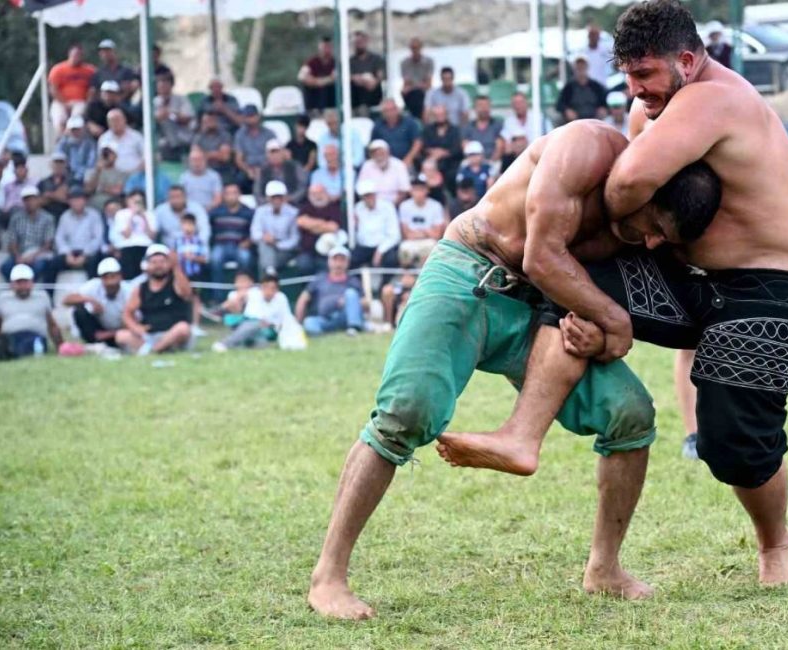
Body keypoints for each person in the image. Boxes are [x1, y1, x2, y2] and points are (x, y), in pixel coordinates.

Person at [436, 0, 788, 590]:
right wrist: (601, 304)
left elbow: (630, 181)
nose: (636, 91)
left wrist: (613, 230)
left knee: (731, 443)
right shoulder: (656, 107)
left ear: (687, 61)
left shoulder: (716, 98)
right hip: (686, 277)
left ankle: (776, 542)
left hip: (769, 287)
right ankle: (521, 434)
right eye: (628, 76)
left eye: (646, 75)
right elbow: (628, 181)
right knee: (563, 275)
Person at [306, 117, 723, 620]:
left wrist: (596, 329)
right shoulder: (583, 147)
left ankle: (605, 568)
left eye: (664, 239)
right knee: (405, 413)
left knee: (630, 412)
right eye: (655, 228)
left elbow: (586, 298)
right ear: (643, 189)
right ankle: (328, 576)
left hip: (536, 312)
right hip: (466, 272)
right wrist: (612, 321)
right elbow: (544, 256)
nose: (653, 243)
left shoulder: (642, 229)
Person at [116, 245, 193, 355]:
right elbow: (127, 313)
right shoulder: (140, 288)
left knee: (183, 328)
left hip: (172, 333)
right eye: (154, 262)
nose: (158, 266)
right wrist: (136, 328)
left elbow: (186, 293)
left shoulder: (176, 282)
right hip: (150, 335)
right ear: (147, 265)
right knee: (121, 335)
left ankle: (154, 351)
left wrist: (176, 267)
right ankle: (155, 349)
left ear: (169, 263)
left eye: (162, 262)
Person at [212, 270, 291, 352]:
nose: (269, 291)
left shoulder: (281, 298)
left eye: (272, 288)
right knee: (253, 332)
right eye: (266, 287)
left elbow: (285, 319)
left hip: (269, 329)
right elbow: (237, 300)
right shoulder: (254, 293)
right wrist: (221, 308)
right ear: (261, 287)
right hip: (249, 323)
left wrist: (271, 324)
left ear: (277, 289)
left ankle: (225, 343)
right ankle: (230, 343)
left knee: (255, 330)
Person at [295, 246, 365, 336]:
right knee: (309, 322)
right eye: (335, 260)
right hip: (324, 318)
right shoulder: (319, 279)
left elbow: (366, 303)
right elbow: (303, 299)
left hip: (344, 316)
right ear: (329, 261)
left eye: (342, 260)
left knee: (351, 293)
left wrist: (350, 301)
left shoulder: (353, 281)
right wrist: (297, 324)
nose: (338, 264)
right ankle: (321, 337)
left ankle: (354, 328)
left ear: (347, 263)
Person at [62, 256, 131, 347]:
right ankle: (93, 343)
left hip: (119, 331)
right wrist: (90, 300)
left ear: (120, 276)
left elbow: (133, 319)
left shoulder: (129, 291)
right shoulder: (94, 285)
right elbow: (66, 300)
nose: (110, 282)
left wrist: (109, 334)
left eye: (113, 276)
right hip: (98, 328)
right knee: (79, 311)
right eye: (106, 277)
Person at [0, 264, 62, 359]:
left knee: (27, 346)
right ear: (12, 284)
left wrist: (60, 346)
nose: (23, 286)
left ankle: (11, 353)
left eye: (26, 282)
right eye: (19, 282)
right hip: (10, 336)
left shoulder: (42, 297)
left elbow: (52, 324)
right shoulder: (3, 298)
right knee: (4, 343)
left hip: (35, 336)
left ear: (32, 282)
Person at [208, 182, 255, 296]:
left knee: (245, 258)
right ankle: (218, 297)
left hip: (240, 246)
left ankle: (243, 295)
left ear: (239, 194)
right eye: (228, 193)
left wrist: (248, 242)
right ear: (224, 195)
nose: (231, 196)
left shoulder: (248, 212)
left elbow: (255, 231)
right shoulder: (216, 212)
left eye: (234, 193)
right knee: (214, 258)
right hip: (221, 245)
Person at [2, 187, 56, 284]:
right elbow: (12, 241)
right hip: (21, 254)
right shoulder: (16, 218)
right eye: (26, 200)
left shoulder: (48, 218)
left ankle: (28, 290)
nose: (29, 202)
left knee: (40, 266)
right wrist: (18, 256)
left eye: (32, 199)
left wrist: (33, 256)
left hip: (40, 254)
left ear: (38, 200)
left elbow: (48, 244)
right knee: (5, 267)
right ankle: (16, 289)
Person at [351, 180, 401, 278]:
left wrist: (380, 251)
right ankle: (360, 288)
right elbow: (359, 234)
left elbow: (394, 235)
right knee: (352, 260)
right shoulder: (358, 208)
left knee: (391, 260)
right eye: (366, 196)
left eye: (371, 195)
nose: (369, 198)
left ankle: (383, 288)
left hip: (384, 245)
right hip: (364, 246)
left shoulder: (387, 207)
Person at [52, 186, 104, 279]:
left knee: (96, 261)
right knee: (53, 263)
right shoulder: (65, 216)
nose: (77, 202)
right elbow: (59, 238)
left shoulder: (94, 215)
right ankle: (49, 293)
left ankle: (92, 292)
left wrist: (85, 255)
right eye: (73, 199)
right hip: (69, 252)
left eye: (80, 199)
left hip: (88, 252)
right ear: (69, 202)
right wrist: (67, 254)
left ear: (85, 200)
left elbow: (97, 238)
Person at [397, 176, 446, 268]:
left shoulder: (436, 206)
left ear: (427, 190)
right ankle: (407, 275)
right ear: (411, 191)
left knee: (430, 247)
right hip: (411, 241)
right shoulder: (404, 206)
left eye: (421, 189)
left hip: (429, 241)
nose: (418, 193)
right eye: (416, 189)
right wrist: (426, 231)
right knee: (404, 249)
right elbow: (406, 235)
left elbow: (437, 235)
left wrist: (420, 233)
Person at [47, 43, 95, 138]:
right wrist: (65, 103)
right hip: (60, 101)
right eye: (74, 55)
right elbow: (53, 89)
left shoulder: (90, 70)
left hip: (80, 101)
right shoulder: (58, 69)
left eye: (79, 55)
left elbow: (93, 88)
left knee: (76, 116)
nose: (76, 57)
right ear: (69, 54)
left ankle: (70, 139)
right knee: (59, 118)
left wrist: (89, 101)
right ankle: (61, 140)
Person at [250, 181, 299, 273]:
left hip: (285, 248)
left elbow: (295, 239)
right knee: (264, 247)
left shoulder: (293, 213)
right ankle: (270, 272)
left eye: (279, 197)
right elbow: (254, 233)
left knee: (264, 259)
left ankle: (268, 274)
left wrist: (277, 244)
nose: (276, 201)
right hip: (266, 244)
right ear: (268, 198)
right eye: (273, 198)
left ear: (284, 198)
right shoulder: (260, 211)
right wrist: (264, 237)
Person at [295, 184, 343, 274]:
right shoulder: (305, 208)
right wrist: (324, 225)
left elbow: (333, 227)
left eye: (320, 193)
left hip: (328, 252)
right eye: (314, 193)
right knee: (303, 264)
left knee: (327, 266)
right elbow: (300, 222)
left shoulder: (333, 207)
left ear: (326, 193)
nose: (317, 196)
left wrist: (311, 225)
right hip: (307, 251)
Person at [110, 191, 156, 279]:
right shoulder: (122, 214)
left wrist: (144, 217)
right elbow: (126, 234)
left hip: (145, 247)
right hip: (128, 248)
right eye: (135, 201)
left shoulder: (149, 214)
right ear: (128, 201)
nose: (137, 204)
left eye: (139, 201)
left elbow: (152, 236)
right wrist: (132, 215)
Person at [233, 106, 277, 194]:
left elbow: (275, 155)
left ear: (258, 116)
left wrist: (262, 169)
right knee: (239, 179)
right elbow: (238, 159)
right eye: (247, 116)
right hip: (248, 169)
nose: (249, 119)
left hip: (267, 168)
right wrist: (248, 170)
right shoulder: (240, 135)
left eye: (251, 116)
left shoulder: (269, 133)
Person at [152, 73, 194, 162]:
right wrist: (158, 117)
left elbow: (187, 117)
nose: (162, 88)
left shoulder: (181, 99)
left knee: (167, 120)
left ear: (171, 85)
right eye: (160, 86)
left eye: (165, 85)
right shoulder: (154, 102)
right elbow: (151, 121)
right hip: (162, 139)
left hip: (182, 136)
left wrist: (171, 114)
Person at [154, 185, 210, 250]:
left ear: (185, 197)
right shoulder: (160, 210)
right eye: (172, 197)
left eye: (178, 197)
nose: (175, 200)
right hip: (169, 249)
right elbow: (154, 231)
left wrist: (198, 246)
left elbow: (204, 231)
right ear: (168, 198)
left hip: (193, 247)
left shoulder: (197, 208)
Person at [356, 140, 411, 205]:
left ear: (388, 152)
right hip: (371, 204)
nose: (379, 155)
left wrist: (391, 206)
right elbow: (362, 189)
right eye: (375, 153)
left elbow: (403, 190)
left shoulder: (399, 165)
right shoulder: (367, 166)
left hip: (395, 205)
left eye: (381, 152)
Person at [419, 104, 463, 185]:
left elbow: (457, 148)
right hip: (431, 160)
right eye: (437, 115)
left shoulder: (455, 130)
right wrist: (434, 153)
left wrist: (443, 153)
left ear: (446, 115)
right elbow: (424, 146)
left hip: (450, 162)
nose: (440, 117)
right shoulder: (428, 129)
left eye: (442, 114)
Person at [557, 56, 608, 123]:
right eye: (578, 68)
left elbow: (606, 100)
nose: (580, 70)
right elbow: (559, 104)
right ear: (574, 69)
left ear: (587, 68)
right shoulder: (569, 87)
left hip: (594, 121)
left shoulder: (596, 86)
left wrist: (603, 108)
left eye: (582, 67)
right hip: (575, 122)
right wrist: (566, 110)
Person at [373, 98, 423, 166]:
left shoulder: (409, 123)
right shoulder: (378, 126)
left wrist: (409, 159)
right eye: (386, 110)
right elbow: (374, 146)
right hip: (385, 163)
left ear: (397, 109)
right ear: (382, 112)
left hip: (407, 161)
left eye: (392, 109)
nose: (390, 113)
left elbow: (417, 143)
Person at [256, 140, 306, 206]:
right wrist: (269, 201)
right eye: (272, 153)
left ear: (283, 153)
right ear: (267, 155)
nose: (275, 156)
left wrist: (290, 198)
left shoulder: (295, 166)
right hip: (269, 206)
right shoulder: (263, 170)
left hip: (292, 205)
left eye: (277, 152)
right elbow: (257, 192)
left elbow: (302, 187)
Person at [194, 111, 238, 184]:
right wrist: (216, 153)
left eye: (212, 120)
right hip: (205, 169)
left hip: (222, 170)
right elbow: (196, 157)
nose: (210, 123)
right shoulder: (198, 137)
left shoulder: (225, 136)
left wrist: (205, 154)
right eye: (207, 121)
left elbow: (225, 157)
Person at [349, 31, 386, 115]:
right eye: (356, 43)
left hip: (373, 92)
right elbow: (350, 76)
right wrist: (360, 80)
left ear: (366, 42)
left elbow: (380, 75)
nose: (358, 45)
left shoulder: (376, 59)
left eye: (360, 42)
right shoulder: (350, 61)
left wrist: (373, 81)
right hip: (356, 94)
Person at [97, 109, 143, 175]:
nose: (115, 123)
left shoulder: (136, 137)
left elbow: (146, 157)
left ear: (124, 120)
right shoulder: (104, 139)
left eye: (117, 120)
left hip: (134, 176)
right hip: (112, 178)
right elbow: (101, 160)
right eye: (112, 120)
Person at [83, 144, 128, 212]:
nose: (107, 156)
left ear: (115, 156)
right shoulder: (92, 171)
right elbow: (88, 189)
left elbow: (117, 191)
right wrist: (97, 172)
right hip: (94, 203)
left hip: (112, 203)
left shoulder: (120, 173)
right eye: (105, 154)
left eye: (110, 153)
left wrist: (101, 188)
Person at [299, 36, 337, 114]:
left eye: (329, 47)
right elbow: (302, 76)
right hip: (314, 99)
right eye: (324, 47)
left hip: (330, 101)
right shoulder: (311, 62)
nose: (326, 49)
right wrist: (324, 81)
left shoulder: (335, 63)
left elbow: (337, 77)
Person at [177, 148, 223, 213]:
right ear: (189, 162)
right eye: (194, 160)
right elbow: (180, 198)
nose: (197, 163)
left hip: (210, 211)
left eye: (199, 160)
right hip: (189, 212)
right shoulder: (184, 177)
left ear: (205, 161)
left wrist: (206, 209)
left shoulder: (214, 176)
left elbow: (218, 198)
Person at [461, 96, 504, 162]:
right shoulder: (468, 127)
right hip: (472, 162)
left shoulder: (498, 125)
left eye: (486, 105)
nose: (484, 108)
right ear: (475, 108)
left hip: (493, 162)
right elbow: (466, 147)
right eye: (480, 105)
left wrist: (489, 164)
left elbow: (500, 147)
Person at [56, 115, 97, 185]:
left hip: (84, 177)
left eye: (78, 129)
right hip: (66, 176)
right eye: (73, 129)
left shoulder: (90, 144)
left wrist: (80, 175)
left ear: (83, 128)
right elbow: (58, 159)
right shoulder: (63, 143)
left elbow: (91, 163)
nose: (75, 132)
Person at [400, 37, 434, 119]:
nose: (415, 51)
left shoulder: (428, 62)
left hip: (424, 93)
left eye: (416, 48)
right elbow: (406, 83)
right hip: (411, 94)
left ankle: (418, 117)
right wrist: (417, 85)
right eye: (413, 48)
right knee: (413, 95)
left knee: (418, 95)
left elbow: (428, 84)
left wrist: (414, 85)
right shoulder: (405, 63)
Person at [37, 152, 72, 217]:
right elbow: (37, 202)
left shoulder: (71, 181)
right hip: (47, 216)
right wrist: (58, 196)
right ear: (51, 164)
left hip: (66, 216)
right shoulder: (43, 182)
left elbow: (73, 200)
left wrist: (49, 195)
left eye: (61, 163)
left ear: (65, 164)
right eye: (56, 163)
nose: (58, 165)